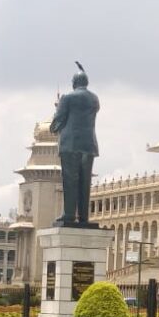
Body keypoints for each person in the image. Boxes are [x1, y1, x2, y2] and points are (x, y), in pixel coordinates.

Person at [50, 62, 100, 227]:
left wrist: (54, 126)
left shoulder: (68, 98)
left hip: (70, 145)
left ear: (73, 83)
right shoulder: (94, 99)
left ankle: (69, 215)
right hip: (89, 145)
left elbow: (58, 120)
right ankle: (84, 217)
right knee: (85, 181)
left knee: (70, 179)